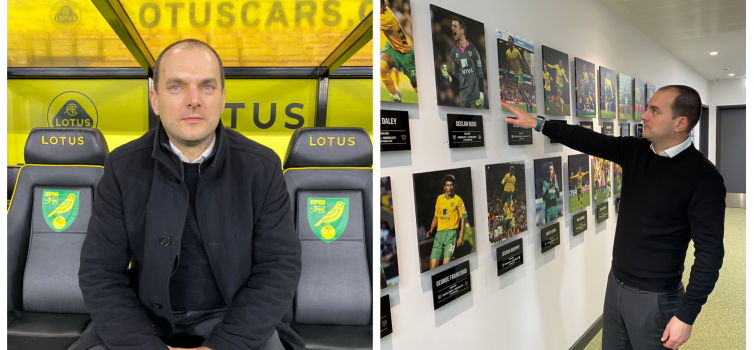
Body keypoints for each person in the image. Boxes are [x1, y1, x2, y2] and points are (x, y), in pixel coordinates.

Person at [78, 39, 304, 350]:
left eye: (207, 87)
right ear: (155, 99)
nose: (194, 100)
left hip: (235, 322)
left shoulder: (261, 168)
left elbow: (279, 268)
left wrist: (222, 345)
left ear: (223, 98)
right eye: (177, 87)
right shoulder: (122, 167)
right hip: (144, 324)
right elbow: (100, 272)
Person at [502, 84, 725, 350]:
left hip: (656, 299)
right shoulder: (637, 150)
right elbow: (587, 139)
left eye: (654, 110)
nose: (644, 115)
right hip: (616, 285)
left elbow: (710, 253)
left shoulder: (704, 178)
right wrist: (538, 124)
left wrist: (687, 315)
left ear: (680, 123)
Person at [440, 16, 485, 108]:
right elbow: (457, 79)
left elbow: (480, 75)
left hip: (475, 97)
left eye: (455, 26)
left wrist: (481, 95)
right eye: (452, 26)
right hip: (463, 98)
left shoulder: (473, 50)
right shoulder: (454, 52)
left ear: (462, 31)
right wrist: (448, 77)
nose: (452, 28)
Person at [425, 174, 467, 270]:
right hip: (439, 235)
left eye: (451, 185)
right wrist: (431, 230)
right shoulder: (439, 199)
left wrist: (460, 237)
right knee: (432, 266)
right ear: (444, 187)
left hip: (451, 234)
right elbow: (436, 216)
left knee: (446, 266)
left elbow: (463, 217)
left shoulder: (458, 200)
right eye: (447, 185)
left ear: (454, 186)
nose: (449, 188)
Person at [380, 0, 417, 102]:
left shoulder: (386, 19)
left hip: (406, 54)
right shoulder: (386, 10)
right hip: (393, 49)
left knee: (416, 87)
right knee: (381, 67)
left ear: (384, 6)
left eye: (379, 7)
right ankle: (396, 97)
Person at [505, 36, 532, 112]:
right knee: (521, 90)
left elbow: (522, 62)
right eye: (508, 39)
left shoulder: (516, 51)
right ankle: (529, 104)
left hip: (520, 72)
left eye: (510, 39)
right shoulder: (507, 52)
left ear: (513, 42)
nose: (508, 40)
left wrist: (529, 71)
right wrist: (507, 75)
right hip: (515, 74)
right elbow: (508, 64)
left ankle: (527, 105)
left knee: (519, 89)